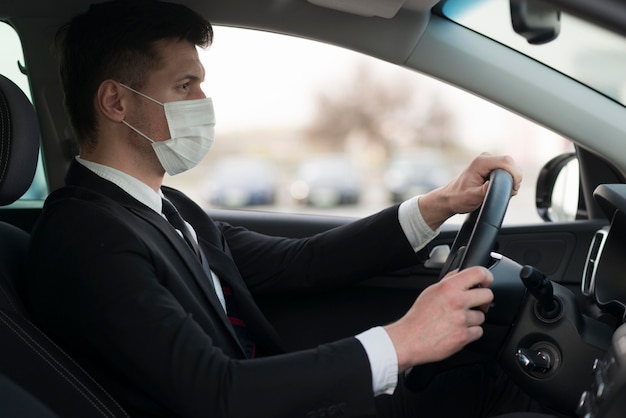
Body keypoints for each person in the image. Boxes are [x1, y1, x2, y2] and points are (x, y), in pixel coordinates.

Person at [22, 1, 542, 417]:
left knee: (494, 377)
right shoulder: (87, 236)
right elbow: (214, 392)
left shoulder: (167, 208)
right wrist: (400, 341)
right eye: (185, 86)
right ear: (116, 103)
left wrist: (440, 204)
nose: (204, 101)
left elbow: (303, 262)